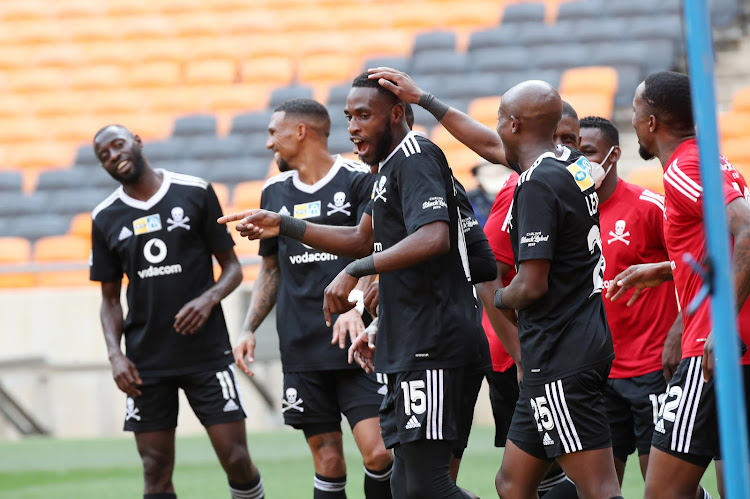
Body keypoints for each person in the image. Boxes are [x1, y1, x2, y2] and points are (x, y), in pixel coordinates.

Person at [220, 72, 491, 498]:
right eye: (349, 116)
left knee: (425, 487)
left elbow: (434, 237)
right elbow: (359, 237)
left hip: (433, 343)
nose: (353, 127)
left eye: (364, 115)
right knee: (405, 487)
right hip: (407, 341)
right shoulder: (386, 171)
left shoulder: (416, 154)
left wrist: (356, 270)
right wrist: (284, 225)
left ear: (398, 113)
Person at [89, 125, 264, 499]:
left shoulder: (195, 192)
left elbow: (232, 268)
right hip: (145, 363)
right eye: (103, 155)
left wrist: (207, 299)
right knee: (154, 470)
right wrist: (115, 355)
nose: (113, 156)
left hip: (207, 354)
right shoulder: (105, 217)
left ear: (136, 140)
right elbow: (108, 300)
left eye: (117, 145)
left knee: (236, 459)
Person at [231, 98, 393, 499]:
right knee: (328, 461)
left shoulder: (358, 179)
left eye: (274, 132)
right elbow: (271, 269)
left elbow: (373, 248)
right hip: (302, 345)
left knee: (378, 453)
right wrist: (248, 327)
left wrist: (355, 306)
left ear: (300, 132)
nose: (270, 143)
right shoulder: (273, 191)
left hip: (357, 345)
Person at [607, 71, 750, 499]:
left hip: (714, 349)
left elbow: (746, 231)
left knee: (663, 493)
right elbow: (722, 243)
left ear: (651, 122)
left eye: (634, 111)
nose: (631, 120)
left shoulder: (685, 167)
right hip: (735, 347)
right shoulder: (710, 161)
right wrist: (669, 269)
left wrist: (719, 326)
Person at [492, 80, 621, 498]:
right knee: (512, 484)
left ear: (512, 124)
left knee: (599, 488)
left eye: (498, 120)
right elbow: (492, 148)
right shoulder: (572, 164)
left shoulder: (535, 184)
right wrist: (430, 103)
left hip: (561, 351)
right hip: (561, 348)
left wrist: (500, 297)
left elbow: (531, 285)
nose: (494, 129)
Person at [578, 116, 690, 486]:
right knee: (597, 485)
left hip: (651, 368)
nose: (580, 162)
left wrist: (680, 330)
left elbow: (697, 263)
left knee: (660, 484)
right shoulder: (570, 214)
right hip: (599, 370)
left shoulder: (648, 206)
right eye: (573, 153)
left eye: (588, 153)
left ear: (613, 155)